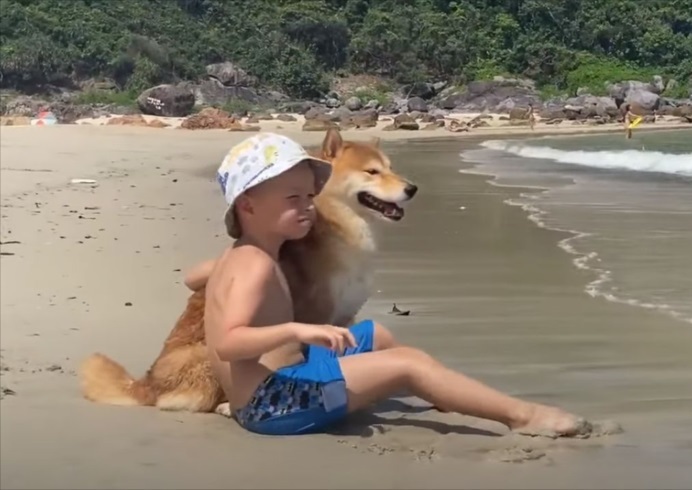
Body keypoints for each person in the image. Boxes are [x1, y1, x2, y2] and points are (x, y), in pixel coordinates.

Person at [203, 132, 592, 437]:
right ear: (248, 206)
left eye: (310, 195)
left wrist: (214, 276)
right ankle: (523, 415)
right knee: (408, 365)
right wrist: (296, 328)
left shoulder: (240, 255)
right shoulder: (254, 265)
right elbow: (228, 341)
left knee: (376, 334)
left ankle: (445, 392)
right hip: (275, 406)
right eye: (293, 198)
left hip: (281, 383)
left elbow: (199, 278)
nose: (308, 205)